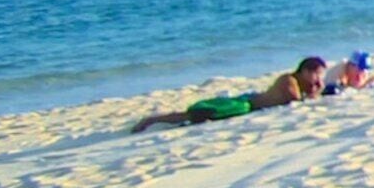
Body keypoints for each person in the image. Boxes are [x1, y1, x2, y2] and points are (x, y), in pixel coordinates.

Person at [131, 57, 328, 132]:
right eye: (315, 75)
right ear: (304, 71)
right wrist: (317, 90)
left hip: (250, 106)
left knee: (200, 117)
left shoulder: (299, 83)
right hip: (245, 104)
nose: (317, 80)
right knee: (198, 114)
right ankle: (150, 120)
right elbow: (295, 101)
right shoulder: (289, 80)